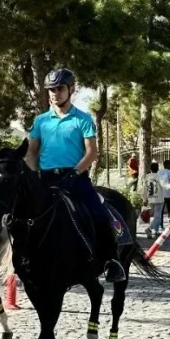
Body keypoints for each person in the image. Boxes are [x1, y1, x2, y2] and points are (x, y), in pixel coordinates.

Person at [25, 68, 127, 282]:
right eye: (51, 90)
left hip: (75, 178)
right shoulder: (41, 121)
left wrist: (75, 173)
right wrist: (32, 175)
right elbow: (32, 152)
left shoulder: (83, 119)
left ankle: (111, 259)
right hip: (46, 179)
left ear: (71, 90)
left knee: (98, 211)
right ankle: (23, 259)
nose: (55, 93)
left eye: (60, 88)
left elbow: (92, 152)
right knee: (23, 215)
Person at [140, 162, 165, 238]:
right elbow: (163, 186)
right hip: (159, 198)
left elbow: (144, 189)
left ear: (150, 169)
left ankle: (156, 231)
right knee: (158, 216)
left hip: (150, 198)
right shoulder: (159, 177)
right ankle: (149, 229)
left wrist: (144, 199)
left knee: (152, 216)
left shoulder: (147, 177)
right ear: (158, 169)